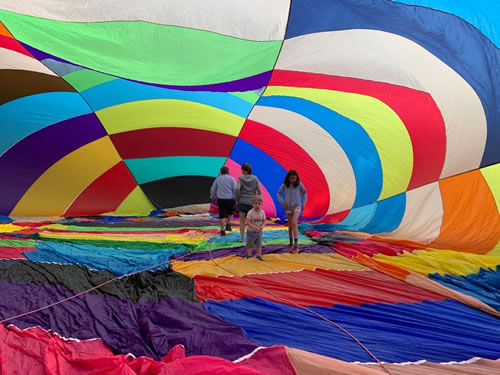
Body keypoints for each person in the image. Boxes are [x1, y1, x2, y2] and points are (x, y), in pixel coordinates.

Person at [277, 170, 307, 254]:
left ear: (296, 178)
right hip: (288, 207)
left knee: (294, 223)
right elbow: (278, 193)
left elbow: (304, 193)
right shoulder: (285, 185)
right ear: (288, 178)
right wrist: (282, 202)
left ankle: (296, 245)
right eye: (291, 179)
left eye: (294, 178)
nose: (293, 180)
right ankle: (291, 242)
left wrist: (304, 203)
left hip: (297, 206)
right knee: (290, 226)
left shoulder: (299, 185)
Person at [235, 163, 261, 242]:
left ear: (243, 170)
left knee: (242, 221)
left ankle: (242, 239)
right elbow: (259, 190)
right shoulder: (255, 178)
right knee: (253, 222)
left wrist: (237, 199)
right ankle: (253, 239)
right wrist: (258, 201)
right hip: (252, 203)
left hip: (242, 202)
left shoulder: (240, 178)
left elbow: (237, 189)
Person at [210, 166, 236, 236]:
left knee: (222, 215)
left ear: (221, 172)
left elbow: (213, 189)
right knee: (231, 212)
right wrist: (235, 198)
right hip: (230, 199)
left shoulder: (218, 179)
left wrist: (213, 197)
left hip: (221, 200)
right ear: (228, 172)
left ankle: (222, 230)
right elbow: (235, 189)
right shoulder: (231, 179)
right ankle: (228, 224)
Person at [245, 195, 266, 260]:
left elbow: (264, 221)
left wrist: (262, 226)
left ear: (262, 204)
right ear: (252, 204)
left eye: (259, 204)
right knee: (250, 244)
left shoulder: (262, 212)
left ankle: (259, 255)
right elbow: (247, 221)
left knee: (258, 244)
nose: (257, 205)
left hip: (259, 232)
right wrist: (254, 227)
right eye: (256, 203)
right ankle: (249, 255)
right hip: (251, 232)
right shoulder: (250, 212)